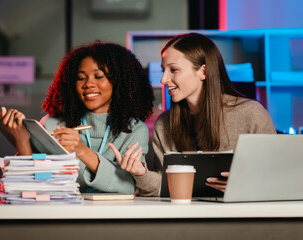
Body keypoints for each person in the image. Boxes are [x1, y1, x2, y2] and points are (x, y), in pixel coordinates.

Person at [112, 33, 276, 196]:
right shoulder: (165, 123)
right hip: (185, 218)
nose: (163, 79)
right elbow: (165, 186)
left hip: (242, 217)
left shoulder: (252, 114)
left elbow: (276, 176)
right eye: (163, 70)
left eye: (173, 70)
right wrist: (141, 173)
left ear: (203, 72)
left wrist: (244, 183)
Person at [0, 42, 154, 194]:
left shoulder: (135, 129)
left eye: (98, 76)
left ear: (119, 82)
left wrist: (81, 151)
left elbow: (128, 187)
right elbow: (35, 181)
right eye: (81, 78)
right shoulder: (52, 124)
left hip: (111, 216)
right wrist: (22, 139)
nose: (88, 84)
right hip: (61, 215)